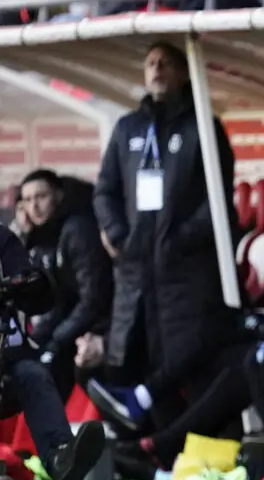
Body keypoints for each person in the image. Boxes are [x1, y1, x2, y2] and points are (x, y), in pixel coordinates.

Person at [90, 40, 242, 433]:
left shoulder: (203, 126)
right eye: (151, 63)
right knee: (135, 359)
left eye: (166, 63)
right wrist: (118, 235)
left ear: (183, 73)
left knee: (184, 366)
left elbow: (217, 199)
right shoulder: (128, 128)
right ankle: (147, 448)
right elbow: (104, 191)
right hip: (136, 272)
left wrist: (179, 242)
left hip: (184, 272)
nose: (157, 70)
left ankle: (189, 446)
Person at [0, 225, 105, 480]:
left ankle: (61, 459)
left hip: (7, 362)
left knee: (33, 374)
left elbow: (38, 295)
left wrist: (30, 284)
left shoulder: (3, 240)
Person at [19, 169, 112, 402]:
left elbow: (93, 299)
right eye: (27, 200)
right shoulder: (47, 236)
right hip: (78, 325)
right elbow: (54, 300)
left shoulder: (77, 230)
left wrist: (56, 342)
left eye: (41, 197)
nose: (34, 207)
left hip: (103, 327)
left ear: (58, 196)